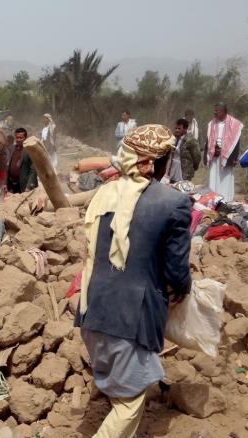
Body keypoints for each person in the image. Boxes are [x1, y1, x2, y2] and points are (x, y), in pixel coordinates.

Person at [76, 124, 191, 437]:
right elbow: (177, 271)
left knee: (119, 384)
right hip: (129, 318)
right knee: (129, 404)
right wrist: (181, 291)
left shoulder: (103, 195)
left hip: (91, 310)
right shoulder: (173, 203)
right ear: (162, 163)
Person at [204, 102, 243, 201]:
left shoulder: (235, 124)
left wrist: (234, 158)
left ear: (223, 111)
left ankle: (225, 200)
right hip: (214, 156)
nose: (214, 112)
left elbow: (235, 143)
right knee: (213, 178)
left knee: (225, 179)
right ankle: (213, 200)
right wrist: (207, 155)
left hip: (227, 157)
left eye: (217, 110)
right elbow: (208, 141)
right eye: (214, 110)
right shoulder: (211, 124)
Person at [168, 118, 202, 183]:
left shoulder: (190, 140)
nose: (177, 130)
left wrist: (192, 168)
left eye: (179, 129)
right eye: (176, 128)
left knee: (182, 190)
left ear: (185, 129)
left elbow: (197, 156)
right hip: (174, 169)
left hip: (184, 172)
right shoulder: (174, 139)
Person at [6, 128, 38, 194]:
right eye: (17, 137)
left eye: (21, 138)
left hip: (24, 186)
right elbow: (7, 167)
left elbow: (33, 170)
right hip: (11, 185)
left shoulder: (29, 150)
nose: (18, 140)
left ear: (25, 138)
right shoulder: (11, 148)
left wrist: (29, 186)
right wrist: (4, 183)